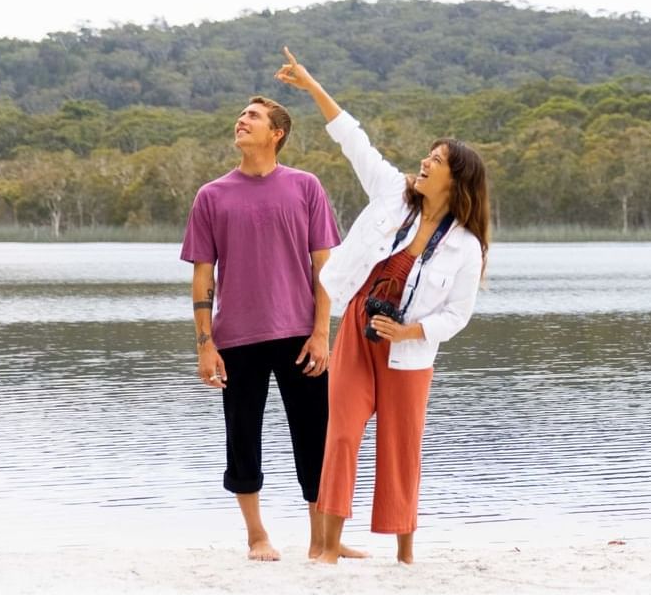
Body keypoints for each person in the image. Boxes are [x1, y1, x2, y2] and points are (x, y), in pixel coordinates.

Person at [276, 48, 490, 565]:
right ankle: (325, 549)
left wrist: (409, 333)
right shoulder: (392, 192)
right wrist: (310, 86)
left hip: (408, 350)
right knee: (342, 433)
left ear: (455, 180)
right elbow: (354, 139)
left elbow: (456, 315)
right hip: (357, 327)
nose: (425, 161)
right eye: (429, 155)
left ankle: (405, 555)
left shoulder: (466, 245)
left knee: (400, 447)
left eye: (436, 160)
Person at [181, 94, 353, 562]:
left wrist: (322, 333)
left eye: (253, 117)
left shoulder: (305, 187)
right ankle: (257, 536)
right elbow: (202, 275)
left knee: (316, 438)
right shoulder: (211, 195)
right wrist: (204, 345)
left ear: (277, 133)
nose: (241, 120)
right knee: (241, 439)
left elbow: (325, 268)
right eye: (240, 115)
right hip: (236, 338)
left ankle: (324, 540)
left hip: (299, 335)